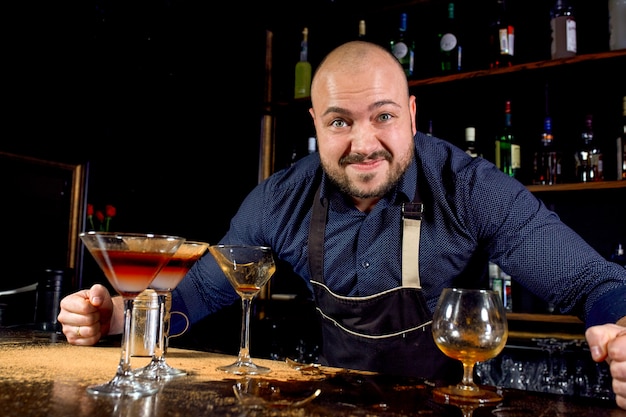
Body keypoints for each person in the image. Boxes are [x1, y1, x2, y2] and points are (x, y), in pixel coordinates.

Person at [58, 41, 626, 408]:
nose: (363, 144)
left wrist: (621, 331)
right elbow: (197, 295)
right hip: (331, 405)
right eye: (339, 122)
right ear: (315, 124)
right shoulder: (281, 197)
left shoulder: (468, 187)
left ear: (409, 114)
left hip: (456, 406)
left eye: (382, 116)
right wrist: (118, 317)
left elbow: (593, 284)